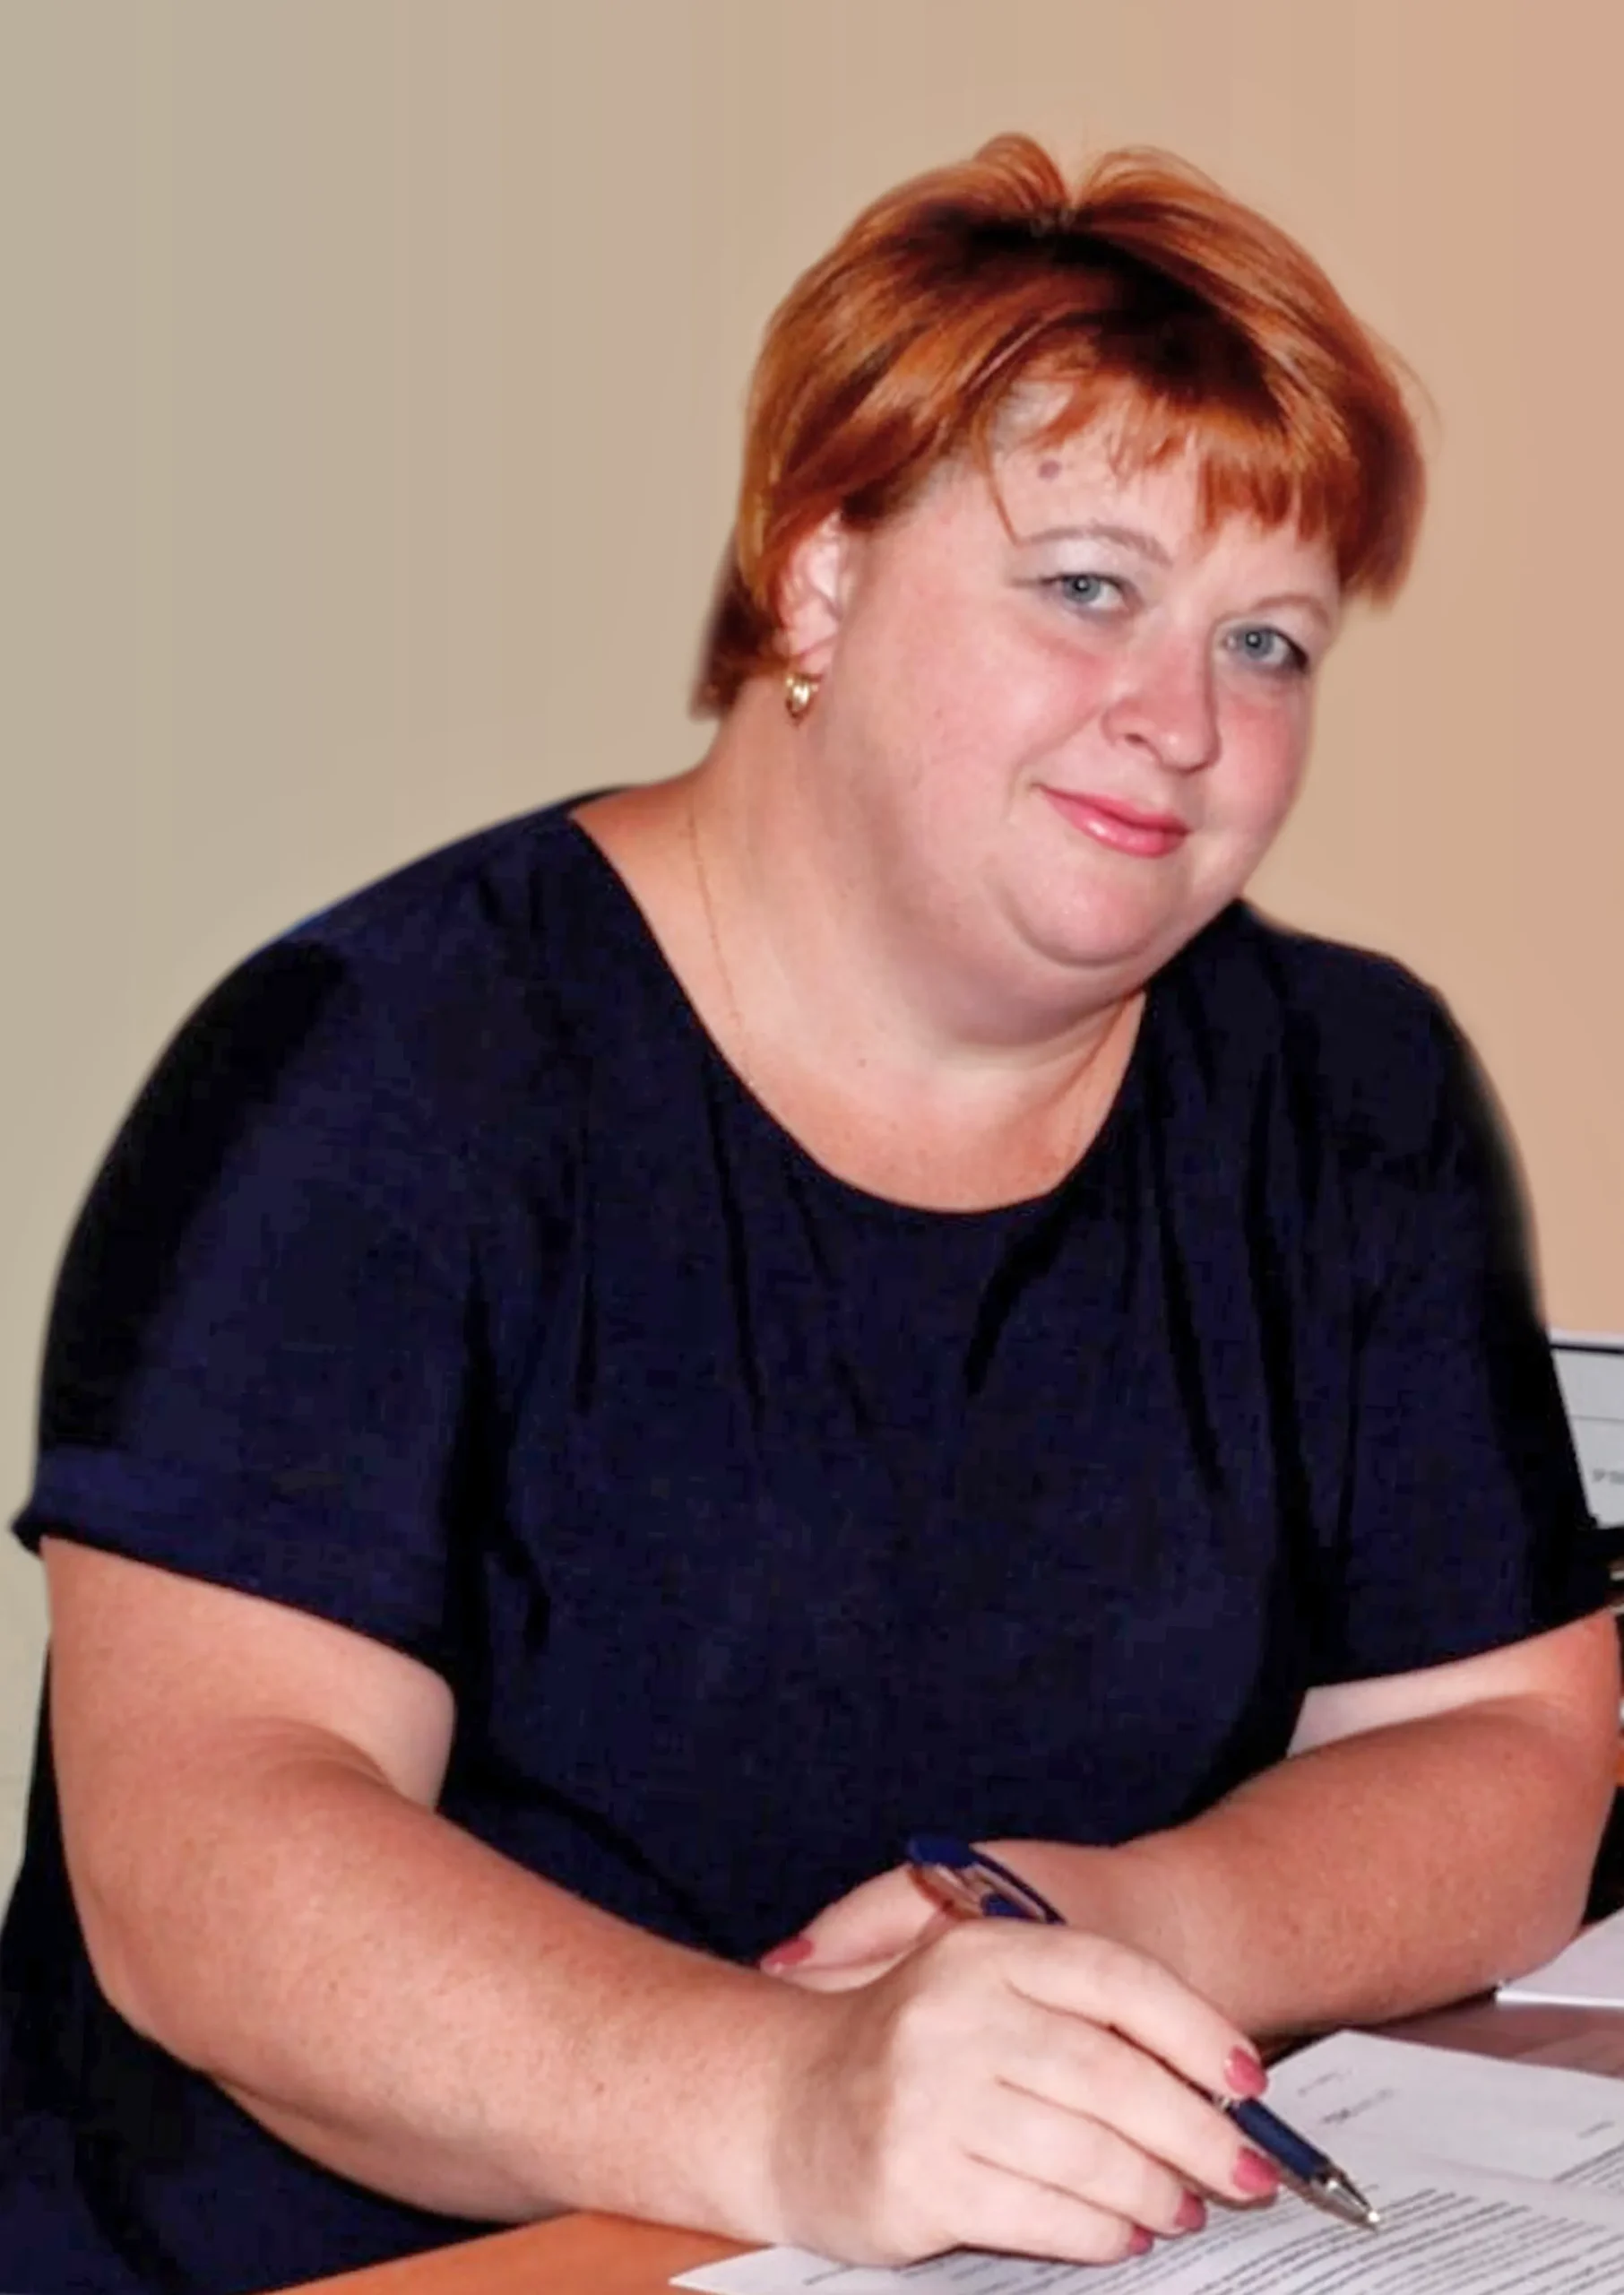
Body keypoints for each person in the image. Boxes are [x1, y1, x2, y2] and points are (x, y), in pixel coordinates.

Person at [0, 130, 1615, 2295]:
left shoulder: (1353, 1089)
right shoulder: (371, 1071)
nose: (1183, 720)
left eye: (1269, 642)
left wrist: (1120, 1922)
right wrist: (798, 2098)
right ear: (820, 576)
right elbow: (204, 1847)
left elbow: (1506, 1746)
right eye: (1088, 588)